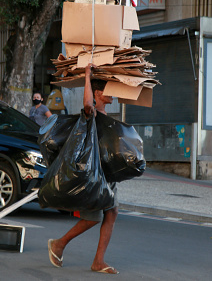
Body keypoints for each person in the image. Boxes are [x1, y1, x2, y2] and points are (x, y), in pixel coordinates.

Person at [47, 63, 119, 275]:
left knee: (112, 212)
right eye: (107, 91)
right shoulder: (91, 114)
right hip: (92, 176)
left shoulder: (105, 114)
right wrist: (87, 75)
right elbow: (88, 104)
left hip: (106, 174)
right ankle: (59, 244)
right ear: (98, 93)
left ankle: (98, 261)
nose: (112, 94)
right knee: (92, 218)